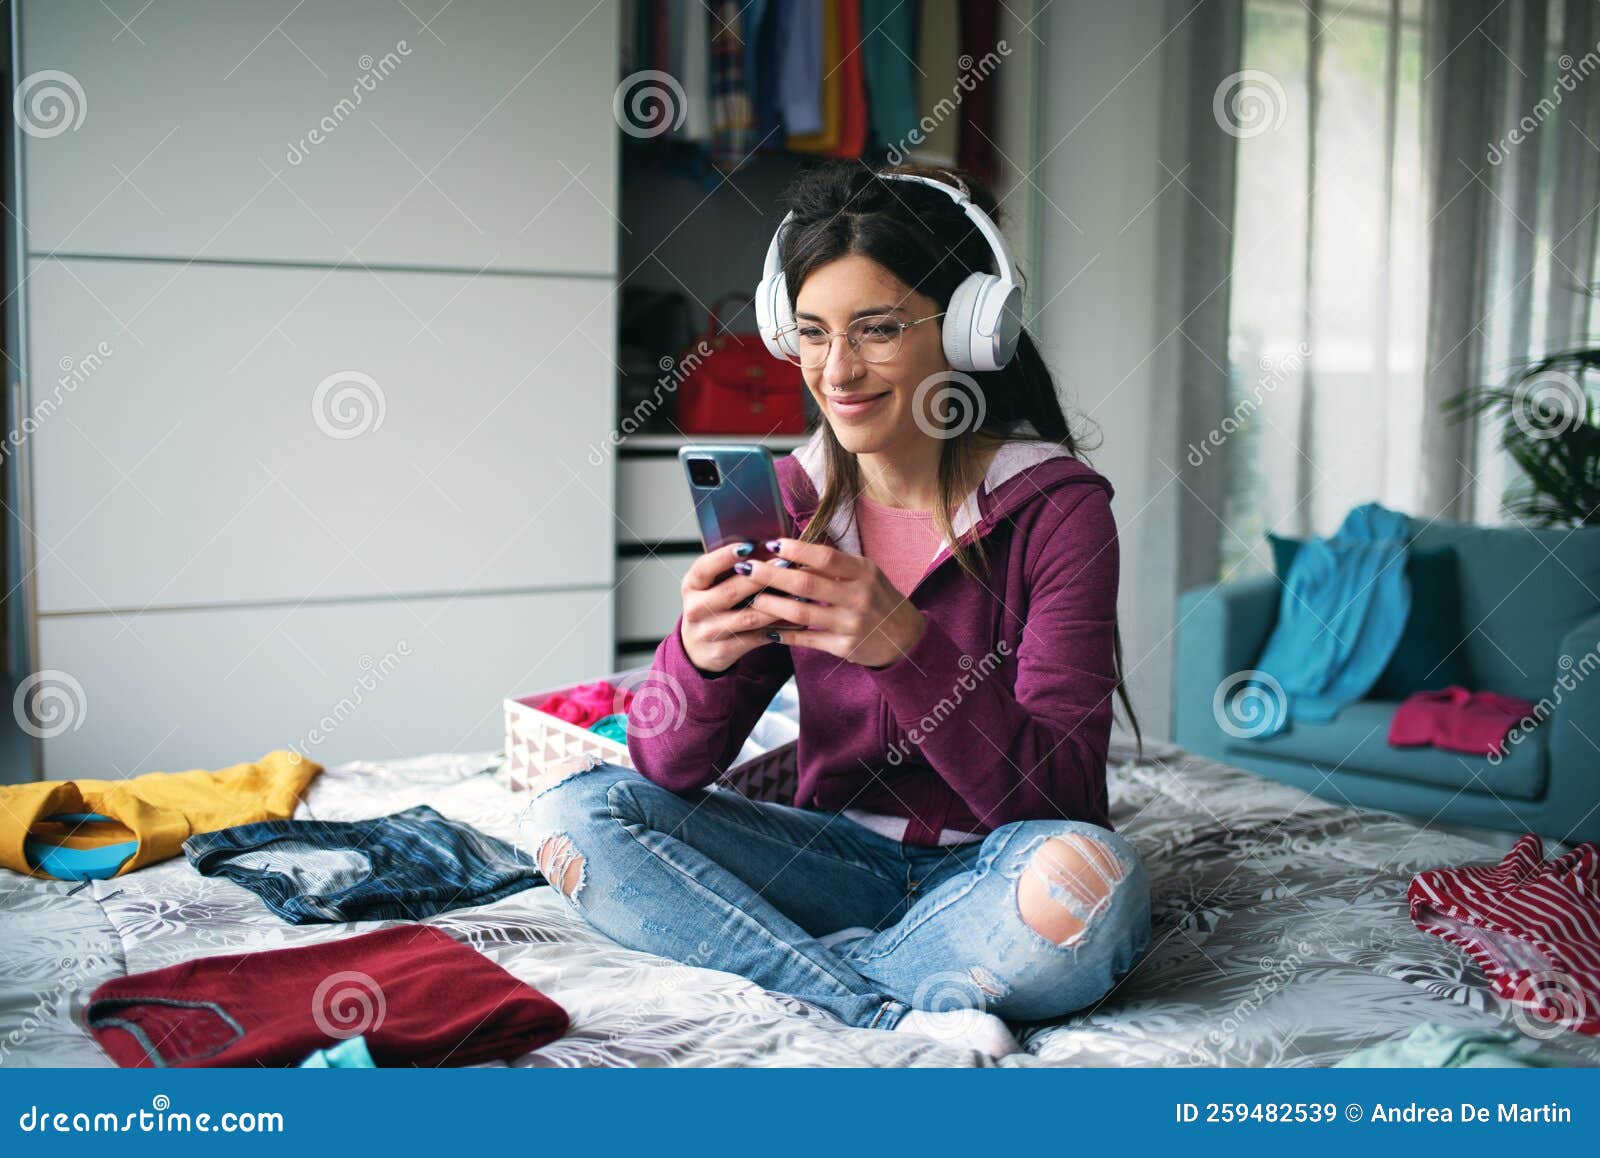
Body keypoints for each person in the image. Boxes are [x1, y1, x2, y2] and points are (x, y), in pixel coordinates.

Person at [525, 162, 1151, 1059]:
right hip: (824, 860)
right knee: (573, 816)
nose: (837, 369)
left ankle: (800, 970)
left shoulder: (1059, 510)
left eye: (879, 330)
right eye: (813, 334)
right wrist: (696, 660)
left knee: (1095, 887)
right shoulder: (787, 500)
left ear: (972, 331)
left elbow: (1062, 798)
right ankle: (883, 1014)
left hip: (992, 869)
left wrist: (903, 644)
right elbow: (669, 765)